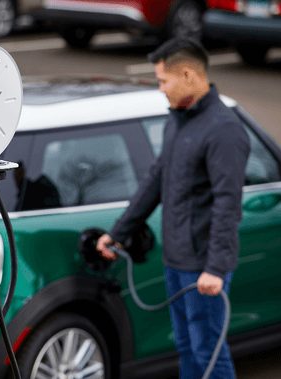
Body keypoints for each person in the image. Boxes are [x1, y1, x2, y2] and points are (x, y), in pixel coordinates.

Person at [96, 38, 250, 379]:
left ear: (188, 75)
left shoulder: (223, 130)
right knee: (185, 346)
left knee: (209, 352)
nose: (161, 89)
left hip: (203, 269)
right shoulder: (178, 121)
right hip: (176, 261)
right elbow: (155, 182)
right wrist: (118, 234)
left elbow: (228, 205)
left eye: (163, 81)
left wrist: (215, 268)